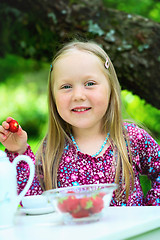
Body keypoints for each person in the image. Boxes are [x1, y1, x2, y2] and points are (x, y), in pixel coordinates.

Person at [0, 41, 160, 206]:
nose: (78, 95)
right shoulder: (53, 149)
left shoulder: (131, 138)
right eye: (66, 86)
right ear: (53, 97)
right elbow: (32, 200)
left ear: (110, 88)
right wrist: (18, 151)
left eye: (90, 84)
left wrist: (150, 211)